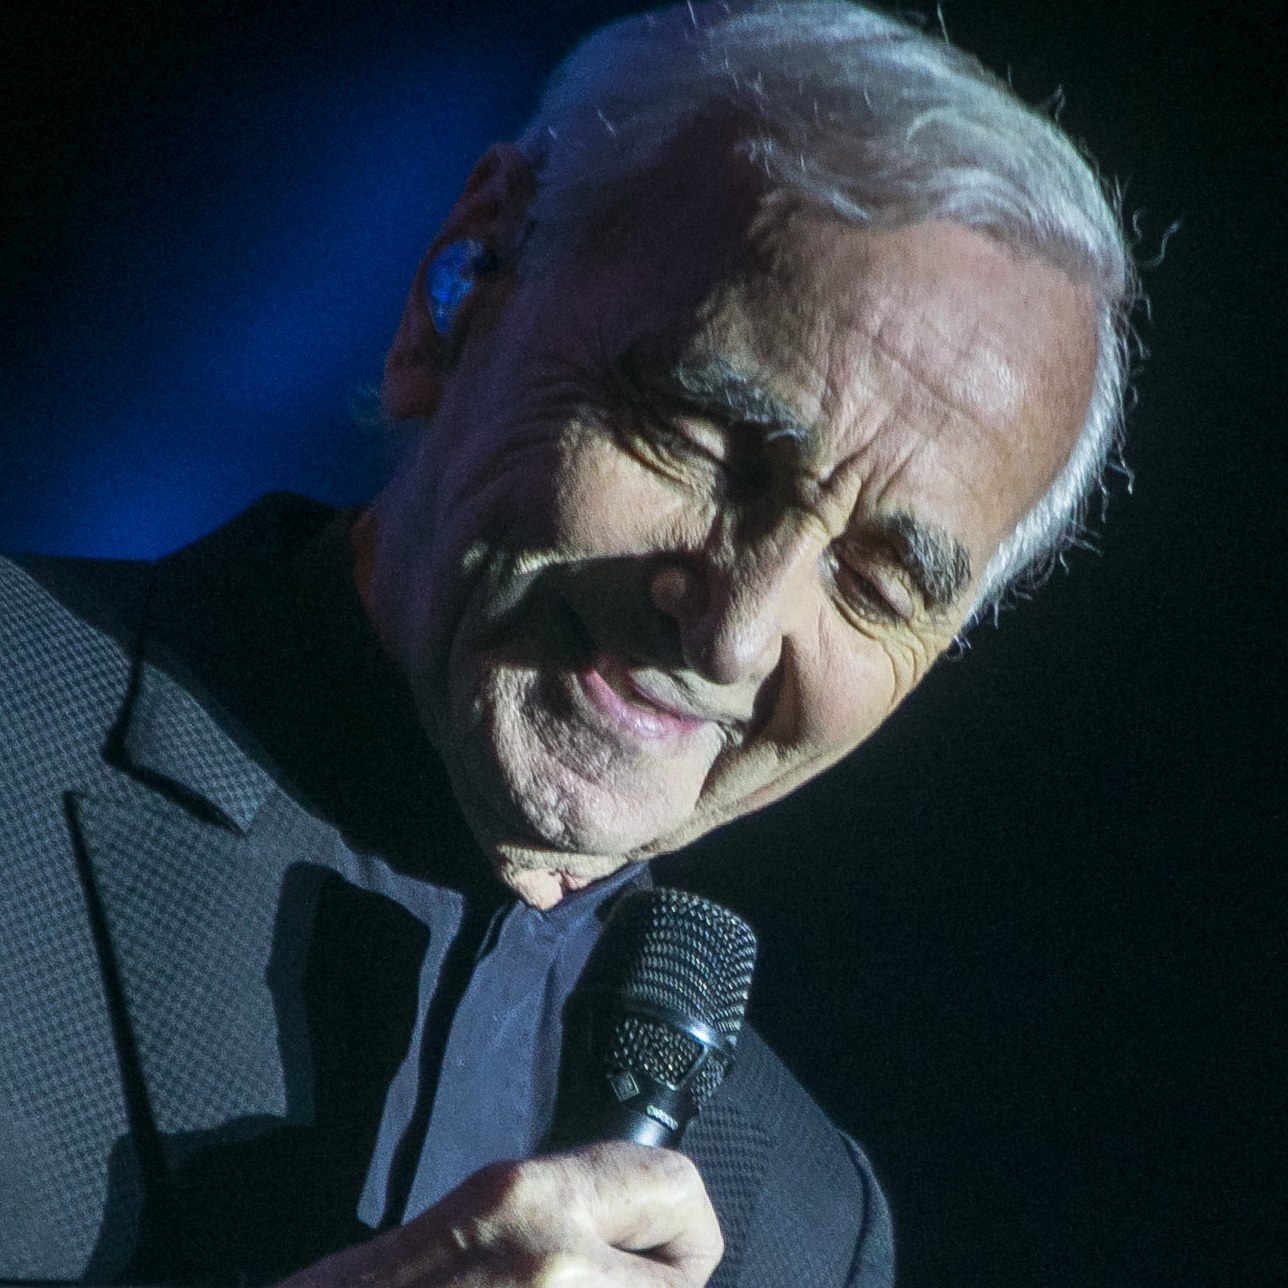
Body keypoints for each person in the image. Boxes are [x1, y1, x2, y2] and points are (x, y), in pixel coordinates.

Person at [0, 2, 1135, 1285]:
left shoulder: (808, 1228)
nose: (734, 631)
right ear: (462, 289)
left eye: (873, 581)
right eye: (704, 442)